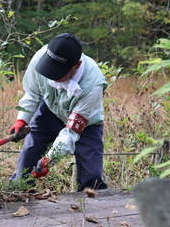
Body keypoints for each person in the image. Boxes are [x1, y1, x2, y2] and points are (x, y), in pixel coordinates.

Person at [8, 33, 108, 191]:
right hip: (49, 111)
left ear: (76, 65)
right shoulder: (40, 57)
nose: (51, 76)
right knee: (29, 154)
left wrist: (50, 160)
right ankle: (17, 193)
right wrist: (22, 120)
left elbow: (70, 132)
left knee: (92, 177)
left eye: (57, 72)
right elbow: (32, 94)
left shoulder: (93, 85)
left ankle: (92, 208)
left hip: (86, 125)